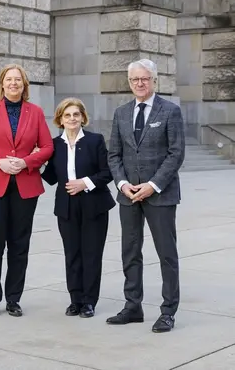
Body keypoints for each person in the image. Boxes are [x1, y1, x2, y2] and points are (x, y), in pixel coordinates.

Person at [0, 63, 54, 318]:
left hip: (25, 186)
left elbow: (47, 147)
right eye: (9, 79)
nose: (13, 83)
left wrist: (27, 162)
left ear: (24, 85)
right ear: (2, 84)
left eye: (18, 80)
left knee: (19, 244)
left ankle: (14, 299)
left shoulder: (35, 112)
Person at [106, 58, 185, 333]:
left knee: (166, 254)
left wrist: (152, 185)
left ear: (153, 80)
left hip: (160, 195)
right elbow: (114, 155)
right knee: (130, 251)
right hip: (128, 195)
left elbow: (176, 154)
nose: (139, 83)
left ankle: (168, 311)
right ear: (129, 83)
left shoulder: (170, 111)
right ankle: (132, 306)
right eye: (134, 79)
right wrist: (122, 184)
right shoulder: (121, 113)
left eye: (144, 79)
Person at [40, 97, 115, 319]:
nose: (72, 119)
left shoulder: (95, 141)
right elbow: (53, 178)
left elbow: (107, 172)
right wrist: (40, 163)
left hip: (94, 204)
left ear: (83, 117)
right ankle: (75, 300)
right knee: (72, 253)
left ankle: (89, 301)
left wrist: (85, 182)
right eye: (67, 115)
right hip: (67, 205)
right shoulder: (54, 145)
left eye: (76, 114)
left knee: (91, 254)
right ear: (60, 120)